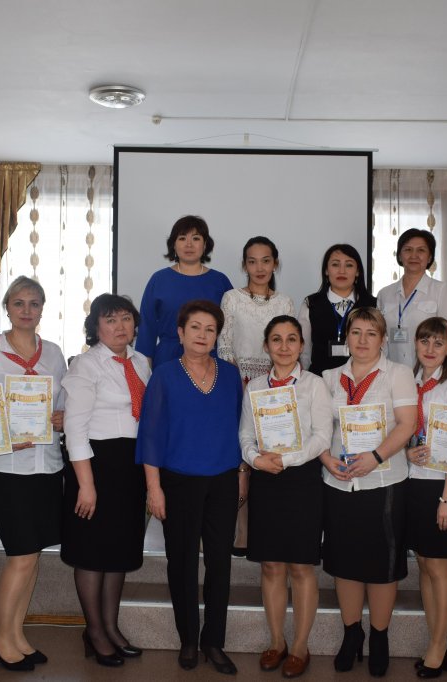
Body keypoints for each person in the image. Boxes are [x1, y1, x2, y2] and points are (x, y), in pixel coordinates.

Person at [137, 300, 244, 675]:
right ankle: (188, 639)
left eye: (210, 329)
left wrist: (242, 474)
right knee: (181, 562)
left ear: (217, 336)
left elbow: (240, 428)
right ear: (180, 333)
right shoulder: (164, 375)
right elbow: (150, 435)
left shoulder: (230, 375)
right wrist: (154, 488)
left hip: (223, 480)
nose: (202, 335)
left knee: (220, 563)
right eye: (195, 328)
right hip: (178, 482)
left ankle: (214, 640)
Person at [318, 307, 417, 677]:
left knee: (381, 567)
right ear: (346, 337)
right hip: (339, 480)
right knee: (344, 562)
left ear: (383, 339)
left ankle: (379, 636)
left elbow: (407, 424)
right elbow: (317, 427)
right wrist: (326, 459)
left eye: (371, 333)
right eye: (356, 332)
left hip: (383, 481)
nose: (362, 340)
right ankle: (351, 634)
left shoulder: (398, 374)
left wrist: (375, 458)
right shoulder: (329, 377)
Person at [0, 276, 66, 672]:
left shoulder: (54, 354)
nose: (26, 310)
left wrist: (61, 417)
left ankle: (15, 634)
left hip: (47, 465)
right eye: (18, 303)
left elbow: (63, 404)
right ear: (7, 308)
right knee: (20, 555)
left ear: (42, 309)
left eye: (34, 303)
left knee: (33, 555)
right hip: (6, 467)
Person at [237, 315, 333, 679]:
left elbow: (322, 437)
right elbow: (245, 435)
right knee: (271, 565)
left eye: (292, 339)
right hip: (266, 480)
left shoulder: (314, 385)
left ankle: (300, 647)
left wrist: (286, 460)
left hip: (302, 481)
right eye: (276, 339)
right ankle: (276, 642)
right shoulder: (255, 386)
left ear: (301, 345)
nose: (284, 346)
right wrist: (255, 458)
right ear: (266, 346)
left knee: (301, 567)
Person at [60, 294, 150, 667]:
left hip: (131, 467)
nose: (119, 326)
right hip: (95, 466)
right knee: (93, 551)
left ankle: (111, 627)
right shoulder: (85, 365)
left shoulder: (141, 362)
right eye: (110, 320)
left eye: (126, 318)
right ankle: (94, 630)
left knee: (120, 552)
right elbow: (74, 427)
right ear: (96, 327)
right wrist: (86, 484)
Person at [403, 317, 447, 679]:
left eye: (438, 343)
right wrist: (407, 452)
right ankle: (438, 639)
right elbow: (405, 430)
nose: (430, 349)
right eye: (424, 341)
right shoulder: (411, 382)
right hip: (413, 482)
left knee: (439, 567)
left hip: (440, 487)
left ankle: (439, 645)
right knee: (425, 565)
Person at [218, 236, 295, 555]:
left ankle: (264, 528)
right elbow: (224, 346)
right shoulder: (231, 298)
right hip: (238, 385)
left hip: (274, 388)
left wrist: (271, 385)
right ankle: (240, 530)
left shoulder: (285, 302)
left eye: (266, 260)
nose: (259, 268)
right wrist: (242, 386)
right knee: (241, 455)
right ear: (244, 265)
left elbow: (289, 346)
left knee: (268, 453)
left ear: (275, 263)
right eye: (252, 261)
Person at [136, 215, 233, 367]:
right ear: (173, 245)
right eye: (182, 238)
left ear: (205, 244)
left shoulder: (220, 281)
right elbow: (146, 330)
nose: (189, 244)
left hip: (210, 359)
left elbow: (230, 329)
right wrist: (143, 370)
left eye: (196, 238)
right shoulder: (159, 280)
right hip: (167, 360)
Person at [376, 229, 447, 370]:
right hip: (391, 373)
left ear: (430, 257)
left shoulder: (440, 290)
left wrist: (445, 375)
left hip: (427, 374)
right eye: (408, 250)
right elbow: (378, 337)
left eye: (421, 250)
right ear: (400, 255)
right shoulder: (384, 294)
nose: (414, 255)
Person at [298, 243, 377, 376]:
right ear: (326, 270)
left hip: (362, 380)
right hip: (320, 380)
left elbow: (379, 348)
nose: (342, 271)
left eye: (349, 265)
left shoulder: (373, 305)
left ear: (358, 271)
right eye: (335, 264)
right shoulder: (311, 303)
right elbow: (304, 351)